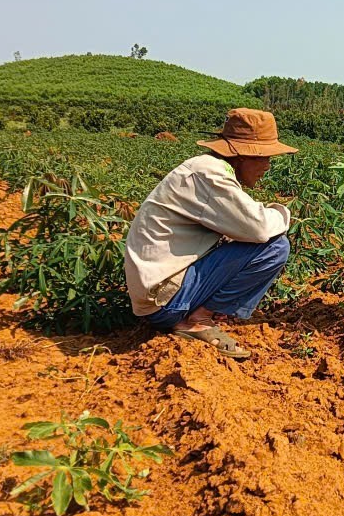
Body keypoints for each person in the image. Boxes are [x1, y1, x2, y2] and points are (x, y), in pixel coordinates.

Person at [124, 108, 297, 359]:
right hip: (166, 300)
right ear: (242, 155)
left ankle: (195, 312)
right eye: (264, 157)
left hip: (159, 294)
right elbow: (258, 228)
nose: (268, 166)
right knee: (275, 247)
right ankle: (198, 320)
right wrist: (282, 214)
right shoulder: (209, 175)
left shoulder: (207, 169)